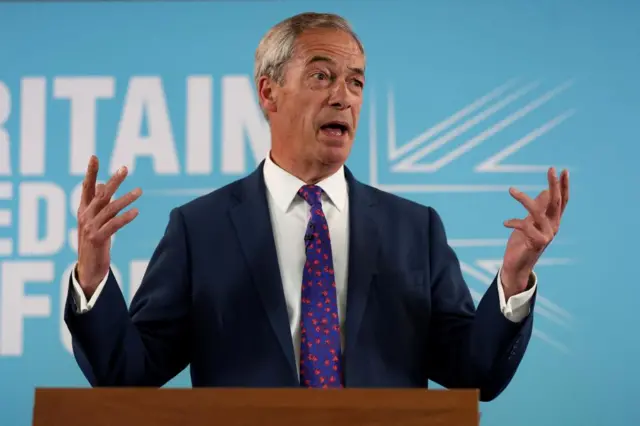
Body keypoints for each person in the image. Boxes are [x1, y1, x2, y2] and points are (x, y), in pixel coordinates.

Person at [64, 12, 569, 401]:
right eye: (322, 76)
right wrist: (91, 276)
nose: (344, 97)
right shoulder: (201, 229)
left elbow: (474, 373)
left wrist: (513, 280)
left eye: (356, 80)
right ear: (269, 92)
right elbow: (126, 374)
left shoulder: (414, 229)